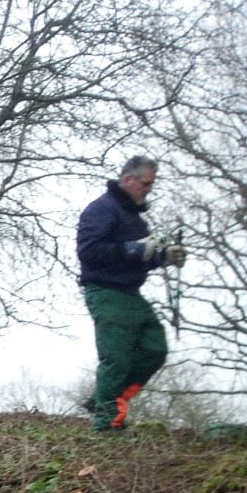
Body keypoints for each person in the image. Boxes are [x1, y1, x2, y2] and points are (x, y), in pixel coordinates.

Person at [76, 155, 187, 433]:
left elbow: (141, 257)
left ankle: (104, 400)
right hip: (106, 291)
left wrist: (163, 257)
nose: (149, 189)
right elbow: (89, 252)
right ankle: (107, 425)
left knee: (155, 349)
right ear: (128, 179)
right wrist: (130, 249)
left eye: (151, 184)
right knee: (117, 358)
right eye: (145, 184)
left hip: (130, 293)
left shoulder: (135, 219)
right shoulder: (101, 209)